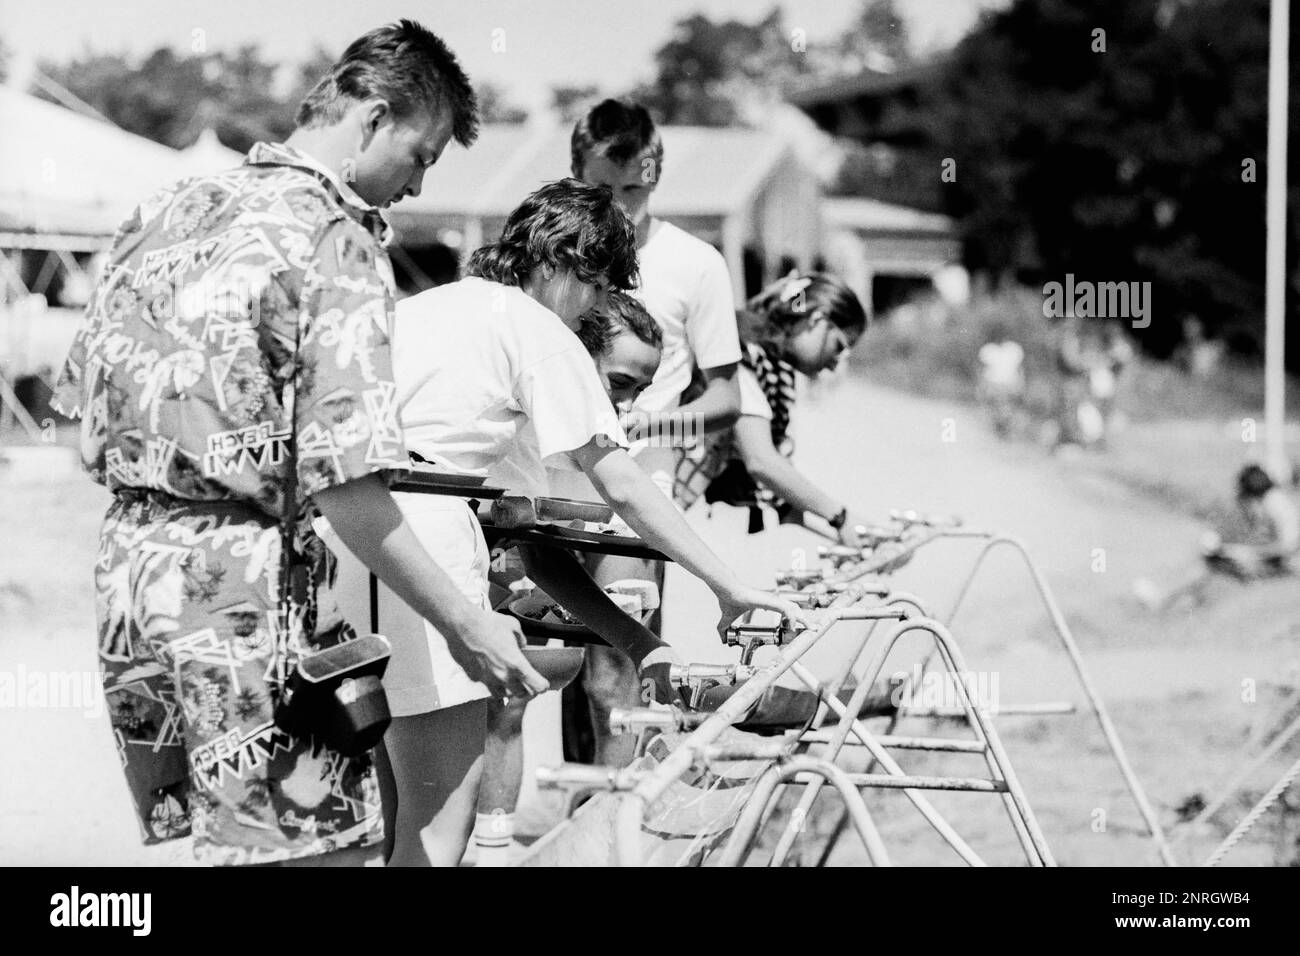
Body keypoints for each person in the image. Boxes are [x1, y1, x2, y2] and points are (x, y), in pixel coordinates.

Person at [50, 20, 546, 867]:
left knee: (224, 850)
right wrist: (469, 626)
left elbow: (77, 414)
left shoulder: (167, 208)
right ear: (373, 116)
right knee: (319, 854)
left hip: (134, 582)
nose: (414, 184)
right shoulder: (333, 236)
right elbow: (349, 489)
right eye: (421, 155)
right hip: (239, 592)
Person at [325, 179, 803, 866]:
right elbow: (623, 482)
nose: (595, 308)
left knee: (388, 820)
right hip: (427, 535)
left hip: (349, 532)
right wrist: (728, 587)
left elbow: (531, 543)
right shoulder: (533, 326)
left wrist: (639, 646)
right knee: (434, 834)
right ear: (564, 261)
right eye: (599, 286)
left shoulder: (429, 308)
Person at [563, 98, 744, 767]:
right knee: (549, 666)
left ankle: (619, 817)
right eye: (601, 192)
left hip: (635, 478)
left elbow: (727, 396)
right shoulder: (559, 255)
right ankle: (575, 810)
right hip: (548, 475)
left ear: (656, 171)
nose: (619, 207)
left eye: (633, 190)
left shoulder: (696, 263)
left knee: (619, 663)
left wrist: (657, 422)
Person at [673, 271, 871, 544]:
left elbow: (786, 507)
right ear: (816, 320)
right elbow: (762, 462)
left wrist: (858, 537)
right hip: (641, 498)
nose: (836, 363)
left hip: (657, 511)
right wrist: (841, 518)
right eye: (838, 346)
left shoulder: (772, 365)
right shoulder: (741, 351)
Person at [1133, 464, 1300, 611]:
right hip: (1270, 562)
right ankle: (1171, 597)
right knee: (1212, 560)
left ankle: (1163, 596)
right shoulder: (1269, 503)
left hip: (1284, 568)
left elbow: (1288, 548)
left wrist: (1248, 552)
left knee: (1210, 565)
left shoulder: (1279, 507)